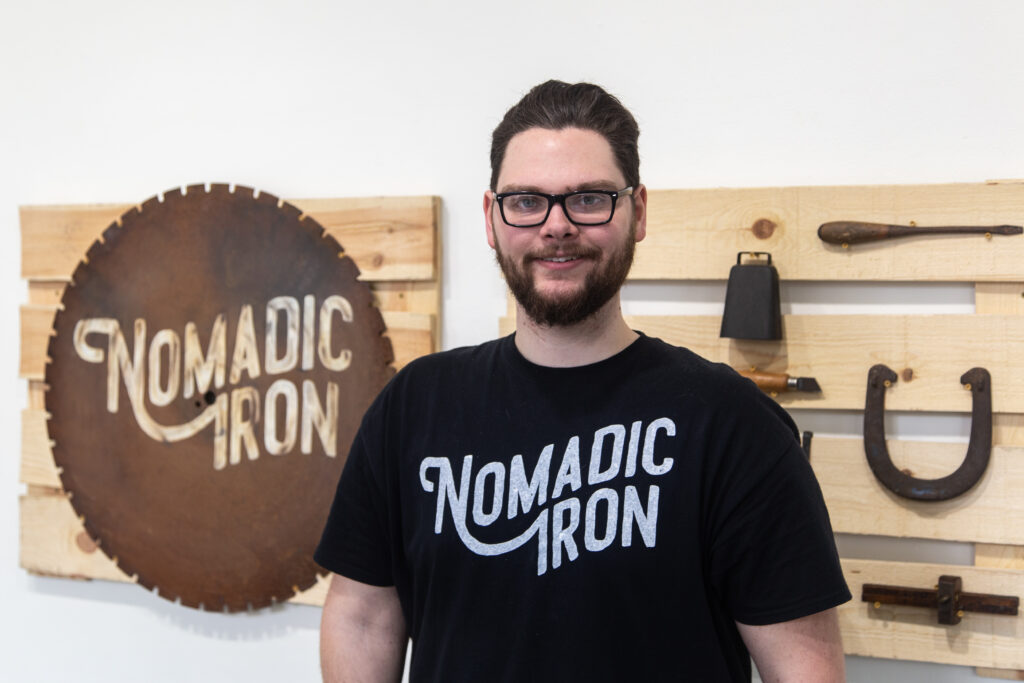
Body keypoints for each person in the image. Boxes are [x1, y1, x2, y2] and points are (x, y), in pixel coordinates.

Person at [315, 80, 851, 682]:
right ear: (492, 218)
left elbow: (804, 669)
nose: (557, 226)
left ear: (637, 211)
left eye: (590, 199)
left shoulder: (732, 423)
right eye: (526, 201)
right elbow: (361, 615)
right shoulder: (413, 406)